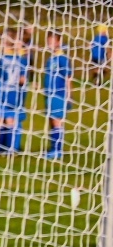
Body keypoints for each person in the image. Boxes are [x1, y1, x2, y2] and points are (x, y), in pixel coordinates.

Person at [0, 29, 30, 153]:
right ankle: (11, 148)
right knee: (10, 120)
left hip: (1, 93)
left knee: (0, 120)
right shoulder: (21, 59)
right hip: (14, 94)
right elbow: (23, 79)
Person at [43, 29, 72, 159]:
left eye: (52, 41)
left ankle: (57, 150)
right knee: (52, 121)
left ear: (59, 42)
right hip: (49, 94)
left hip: (59, 94)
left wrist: (69, 95)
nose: (49, 44)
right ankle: (53, 147)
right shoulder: (51, 59)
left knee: (57, 122)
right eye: (48, 41)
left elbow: (68, 78)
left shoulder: (62, 58)